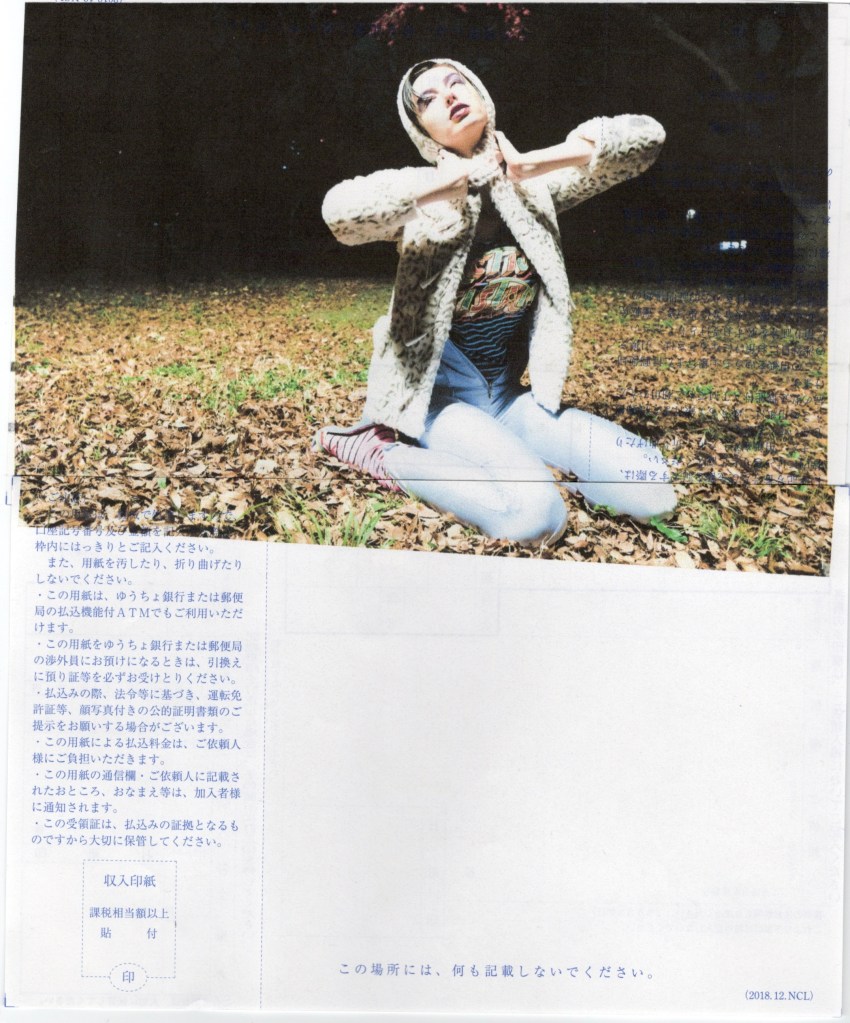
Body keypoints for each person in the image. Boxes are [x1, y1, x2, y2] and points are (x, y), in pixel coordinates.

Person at [315, 58, 677, 546]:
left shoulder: (534, 189)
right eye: (428, 100)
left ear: (480, 92)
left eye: (456, 83)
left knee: (651, 491)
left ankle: (518, 454)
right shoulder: (422, 198)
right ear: (423, 130)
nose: (448, 96)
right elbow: (339, 213)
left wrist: (535, 164)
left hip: (508, 400)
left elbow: (646, 138)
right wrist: (446, 185)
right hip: (439, 405)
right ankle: (382, 453)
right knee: (535, 519)